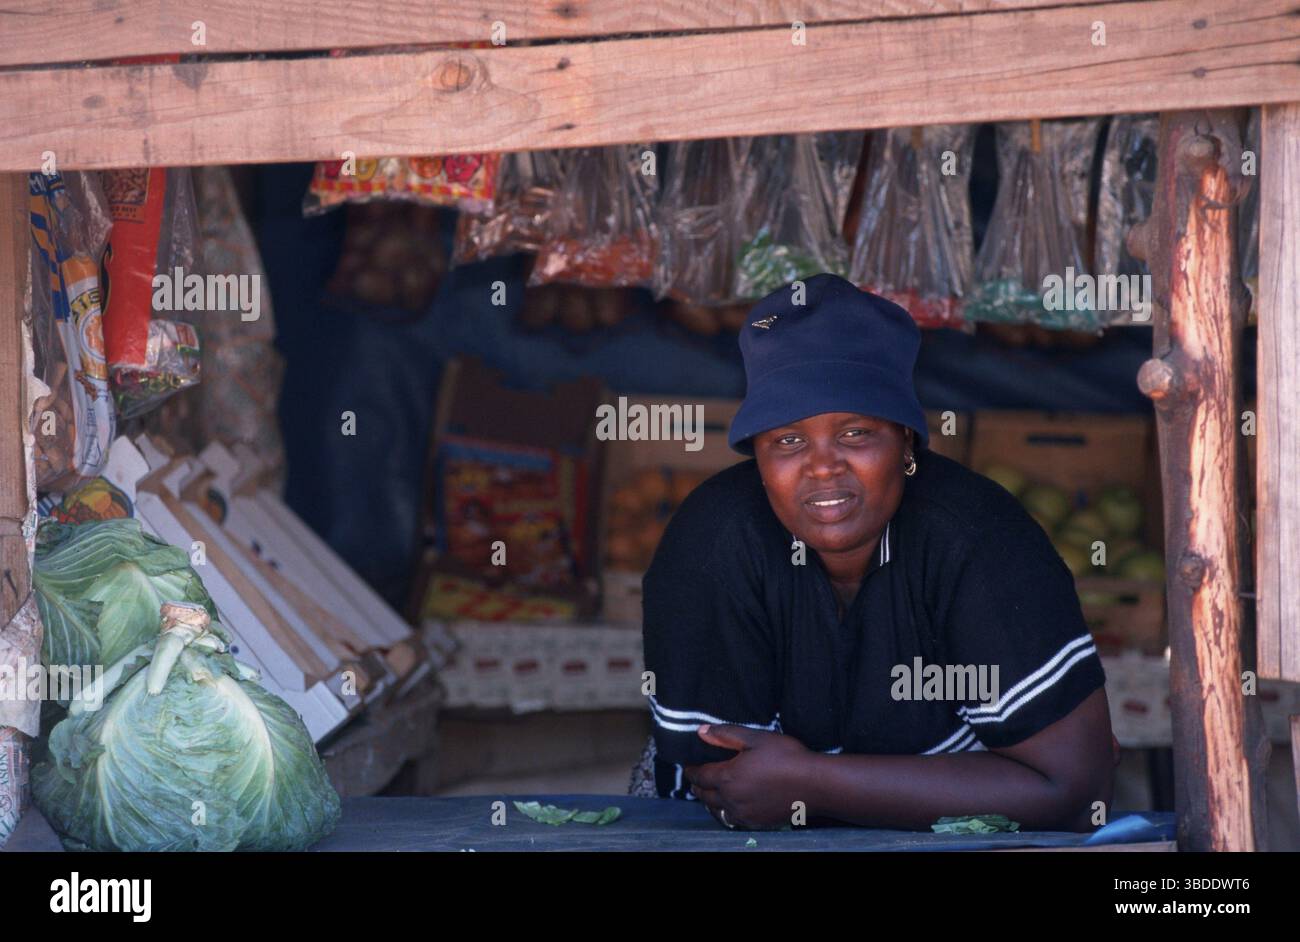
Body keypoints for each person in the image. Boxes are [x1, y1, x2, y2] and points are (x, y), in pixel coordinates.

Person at [633, 274, 1117, 832]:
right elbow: (732, 787)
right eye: (787, 441)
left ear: (906, 440)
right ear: (757, 459)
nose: (822, 466)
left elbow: (1078, 789)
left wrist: (811, 781)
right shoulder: (713, 544)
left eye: (856, 433)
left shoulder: (977, 538)